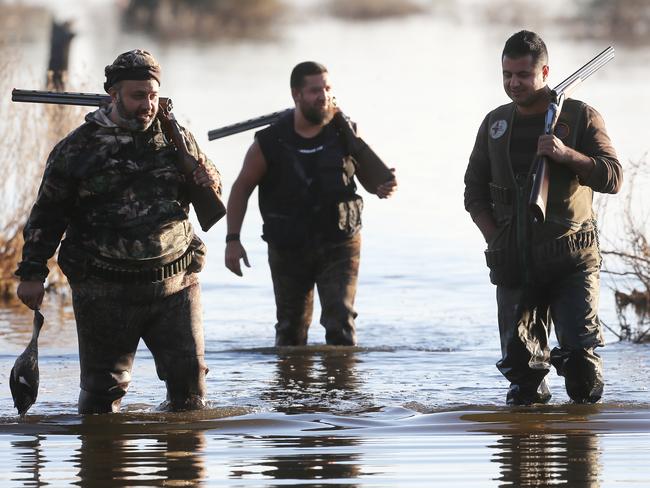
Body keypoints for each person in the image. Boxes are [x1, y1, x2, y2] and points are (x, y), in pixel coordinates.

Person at [15, 49, 222, 413]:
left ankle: (185, 464)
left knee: (191, 391)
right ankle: (103, 465)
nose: (148, 104)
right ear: (114, 95)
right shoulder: (76, 149)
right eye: (137, 96)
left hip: (175, 284)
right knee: (101, 395)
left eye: (153, 95)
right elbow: (47, 216)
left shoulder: (177, 139)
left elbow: (209, 186)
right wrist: (32, 273)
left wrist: (209, 180)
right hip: (104, 288)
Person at [464, 31, 622, 405]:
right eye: (507, 75)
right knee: (523, 383)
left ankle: (581, 452)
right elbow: (473, 191)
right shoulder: (495, 124)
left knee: (582, 372)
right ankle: (526, 453)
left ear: (545, 71)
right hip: (515, 261)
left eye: (522, 74)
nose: (513, 83)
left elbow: (612, 177)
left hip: (572, 259)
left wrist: (567, 155)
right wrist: (495, 238)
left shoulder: (580, 116)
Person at [225, 61, 397, 346]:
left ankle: (343, 389)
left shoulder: (346, 133)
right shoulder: (269, 142)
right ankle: (292, 389)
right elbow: (240, 189)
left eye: (328, 88)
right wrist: (233, 240)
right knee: (290, 331)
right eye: (315, 90)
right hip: (289, 247)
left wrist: (385, 185)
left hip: (340, 242)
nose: (324, 96)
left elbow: (372, 183)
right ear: (297, 94)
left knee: (340, 323)